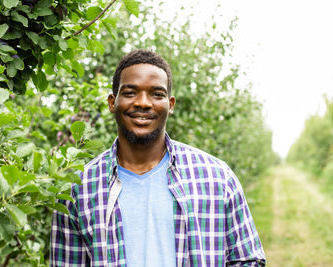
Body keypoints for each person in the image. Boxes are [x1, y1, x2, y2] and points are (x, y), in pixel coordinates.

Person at [50, 50, 266, 266]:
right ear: (112, 102)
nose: (143, 103)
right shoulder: (78, 188)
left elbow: (248, 260)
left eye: (156, 94)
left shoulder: (217, 178)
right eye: (130, 92)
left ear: (170, 104)